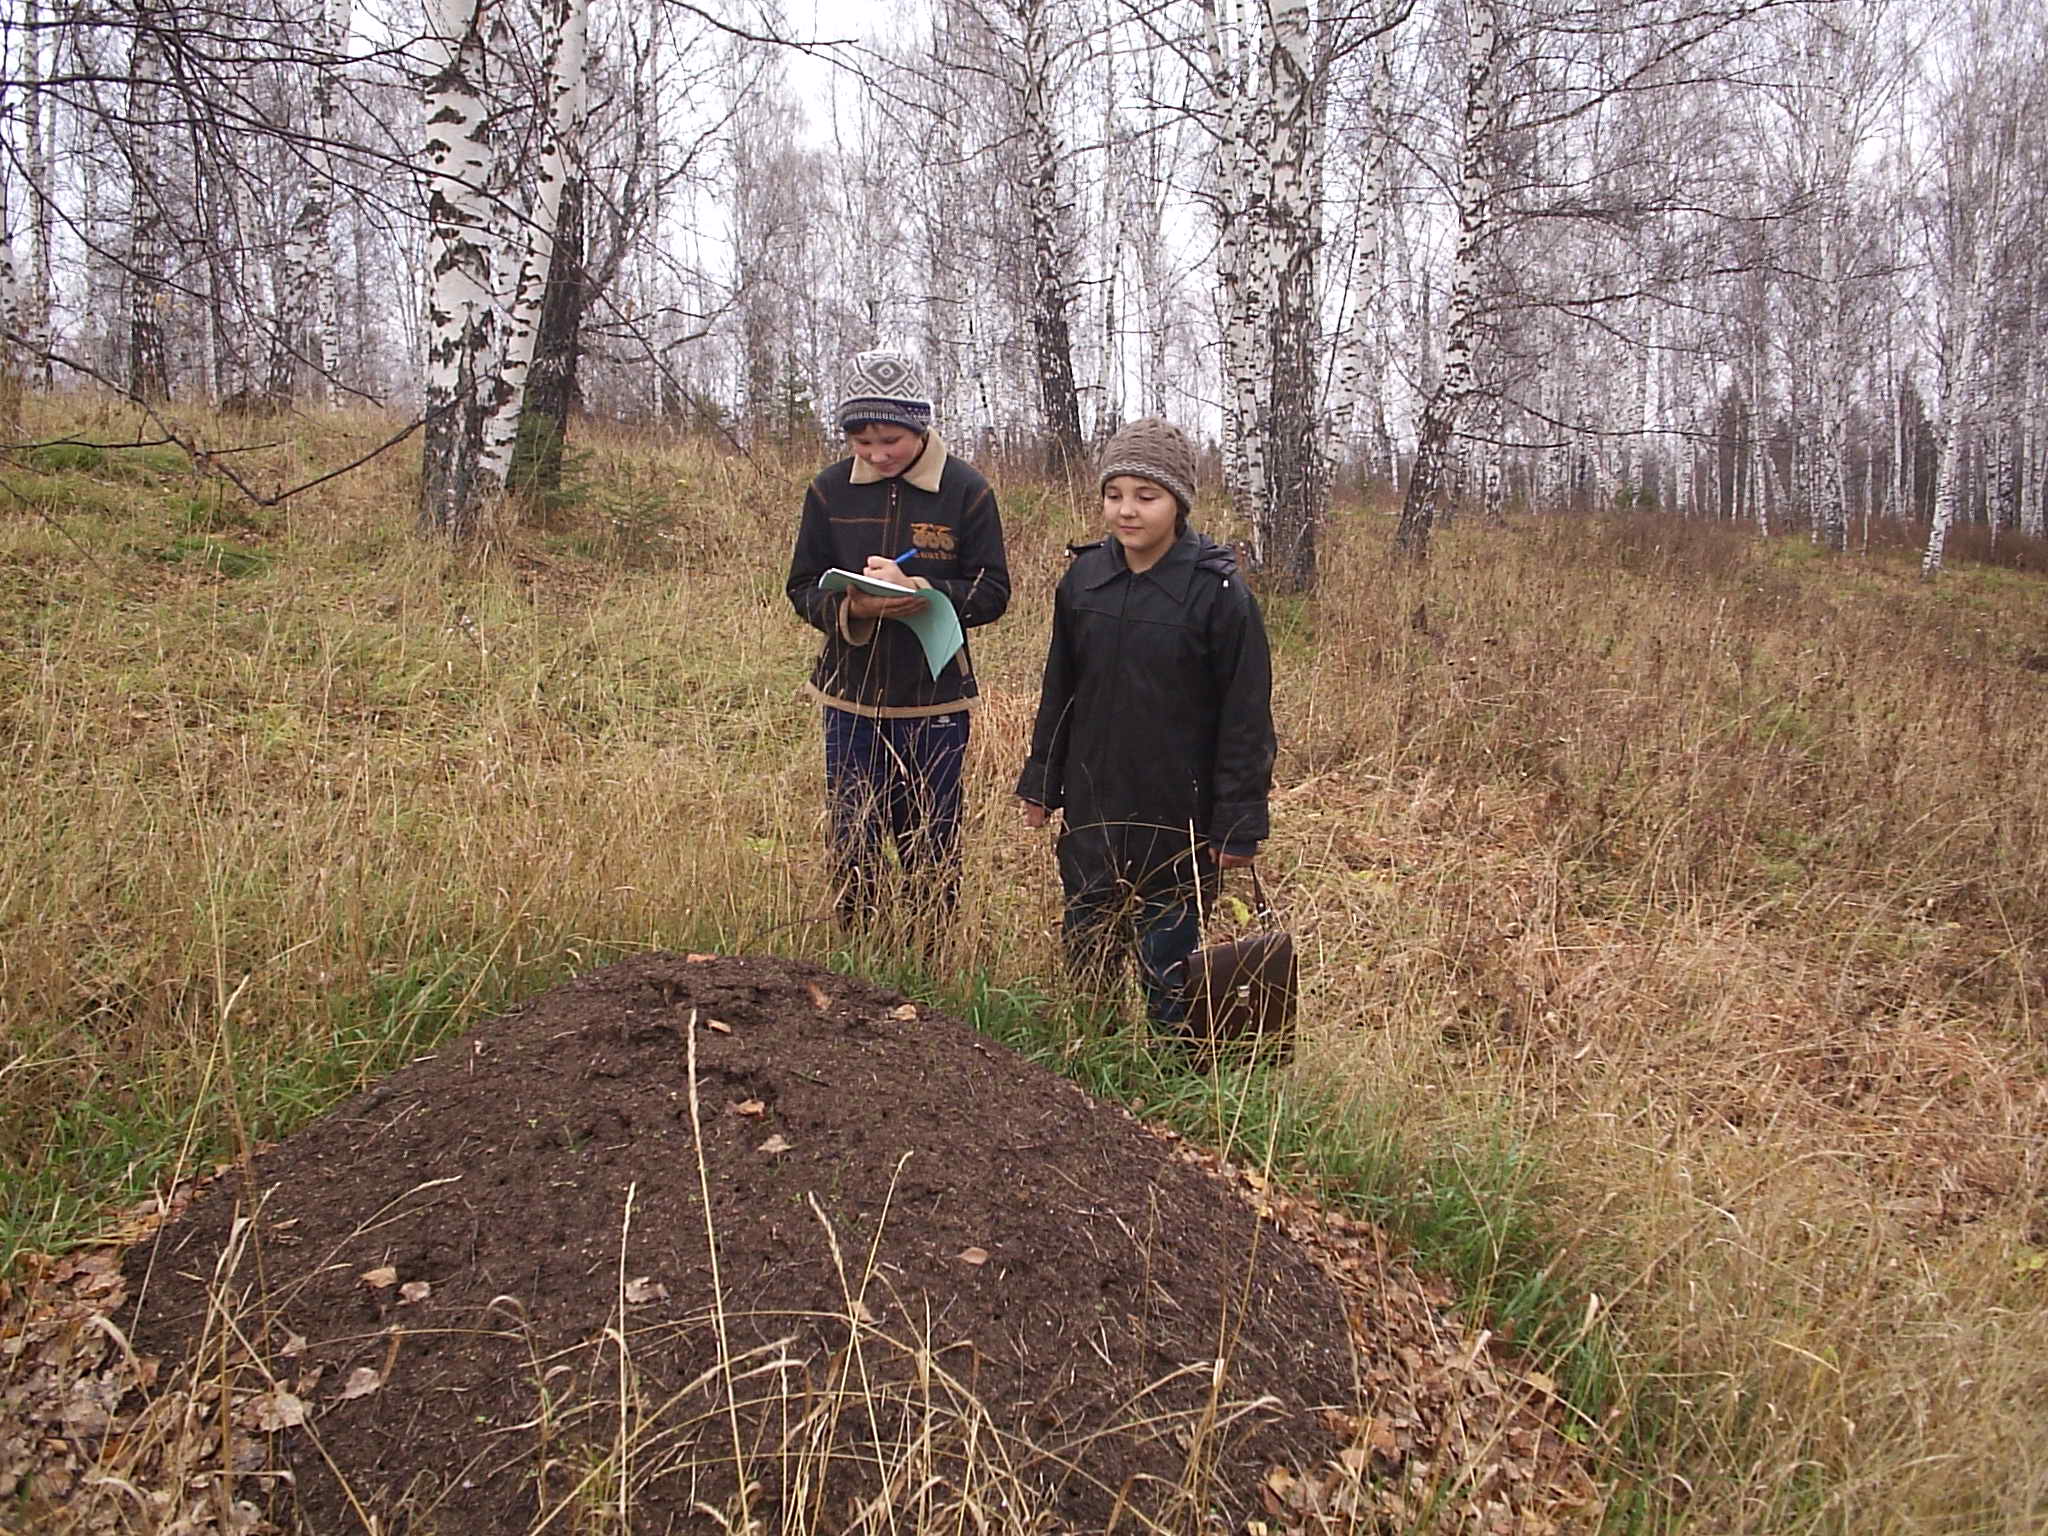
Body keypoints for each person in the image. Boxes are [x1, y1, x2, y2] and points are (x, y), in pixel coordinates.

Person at [1015, 418, 1275, 1035]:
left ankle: (1168, 1074)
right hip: (1094, 804)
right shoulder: (1083, 580)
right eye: (1114, 495)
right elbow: (1061, 691)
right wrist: (1041, 782)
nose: (1126, 511)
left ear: (1178, 502)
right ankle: (1090, 1058)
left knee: (1168, 961)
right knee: (1088, 945)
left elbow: (1246, 716)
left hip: (1177, 817)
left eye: (1145, 496)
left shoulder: (1216, 592)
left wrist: (1237, 825)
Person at [786, 348, 1010, 934]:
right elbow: (802, 586)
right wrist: (851, 606)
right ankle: (858, 960)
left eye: (890, 439)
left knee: (932, 843)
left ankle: (929, 959)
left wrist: (924, 588)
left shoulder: (966, 491)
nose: (877, 454)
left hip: (935, 700)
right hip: (849, 699)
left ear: (919, 425)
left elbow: (993, 592)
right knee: (853, 837)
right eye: (862, 441)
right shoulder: (829, 491)